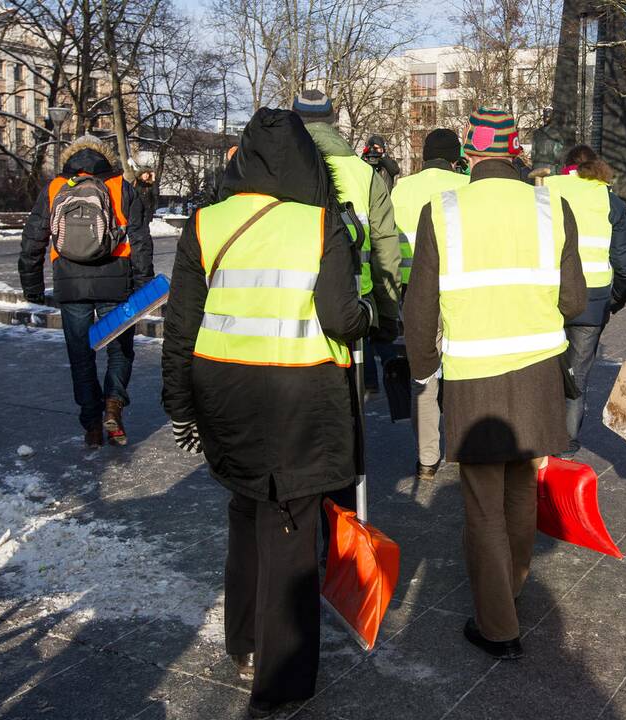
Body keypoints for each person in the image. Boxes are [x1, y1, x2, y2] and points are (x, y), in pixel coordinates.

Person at [161, 108, 371, 719]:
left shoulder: (206, 223)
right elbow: (340, 317)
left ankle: (245, 642)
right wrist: (366, 318)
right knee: (292, 526)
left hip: (225, 394)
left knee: (246, 509)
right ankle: (280, 677)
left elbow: (181, 328)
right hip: (301, 395)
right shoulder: (319, 224)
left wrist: (181, 406)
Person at [404, 107, 586, 659]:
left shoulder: (444, 209)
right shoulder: (553, 204)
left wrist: (420, 368)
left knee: (482, 502)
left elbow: (420, 307)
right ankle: (510, 588)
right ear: (514, 149)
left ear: (469, 146)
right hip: (537, 373)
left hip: (475, 377)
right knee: (522, 490)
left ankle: (498, 625)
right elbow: (574, 300)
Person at [18, 134, 154, 447]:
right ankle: (113, 404)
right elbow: (141, 240)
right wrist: (143, 284)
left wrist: (32, 285)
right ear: (107, 156)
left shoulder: (55, 188)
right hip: (115, 282)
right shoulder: (120, 186)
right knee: (119, 350)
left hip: (69, 283)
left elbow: (33, 239)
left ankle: (92, 425)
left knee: (81, 356)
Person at [292, 90, 402, 388]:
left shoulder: (278, 169)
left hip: (289, 304)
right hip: (353, 305)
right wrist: (388, 314)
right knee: (350, 408)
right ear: (332, 120)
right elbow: (385, 249)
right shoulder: (364, 173)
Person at [544, 145, 626, 456]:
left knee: (541, 371)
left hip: (547, 297)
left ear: (567, 167)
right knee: (576, 377)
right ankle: (567, 446)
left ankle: (539, 438)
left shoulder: (545, 191)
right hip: (591, 301)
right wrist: (614, 299)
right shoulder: (609, 201)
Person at [390, 128, 469, 481]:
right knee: (462, 369)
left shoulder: (401, 188)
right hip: (458, 289)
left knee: (423, 372)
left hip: (413, 292)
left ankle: (426, 459)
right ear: (456, 158)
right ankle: (464, 445)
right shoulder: (466, 187)